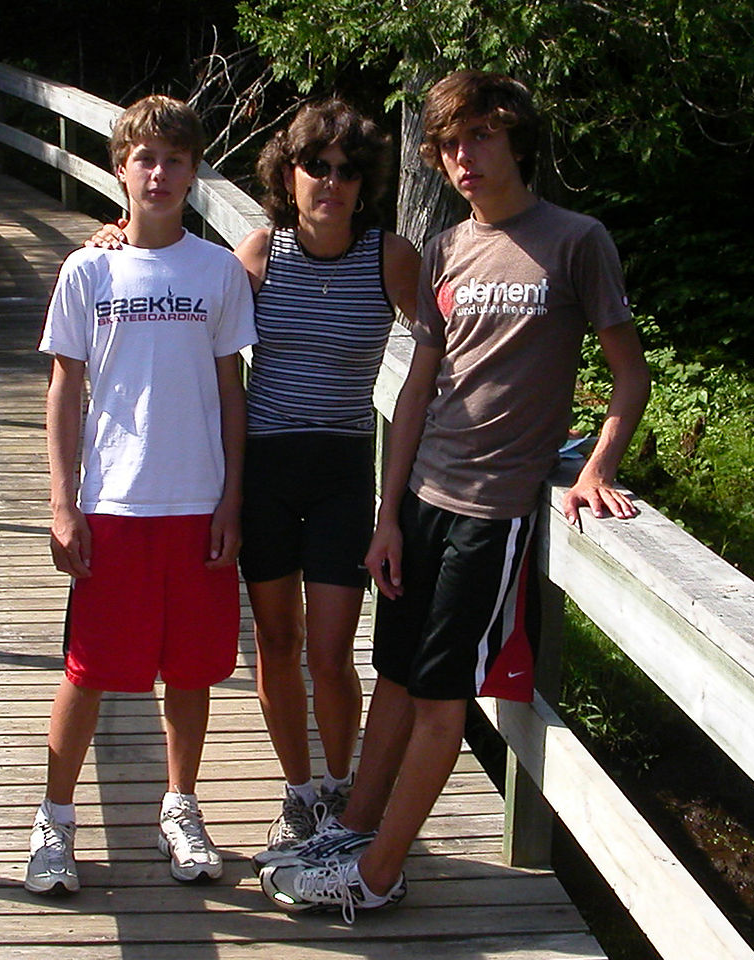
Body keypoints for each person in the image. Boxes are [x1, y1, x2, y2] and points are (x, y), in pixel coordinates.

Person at [258, 69, 651, 920]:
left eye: (479, 137)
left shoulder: (577, 240)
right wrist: (387, 514)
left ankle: (377, 875)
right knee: (394, 674)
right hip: (424, 496)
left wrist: (598, 467)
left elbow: (630, 373)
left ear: (515, 139)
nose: (462, 158)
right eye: (447, 145)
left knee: (442, 696)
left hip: (495, 508)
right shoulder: (443, 250)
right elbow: (417, 388)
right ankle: (355, 831)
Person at [90, 100, 420, 858]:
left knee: (332, 651)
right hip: (265, 469)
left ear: (364, 183)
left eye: (347, 171)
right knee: (277, 639)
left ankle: (341, 787)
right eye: (317, 168)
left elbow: (441, 349)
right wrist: (113, 235)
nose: (331, 183)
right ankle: (299, 792)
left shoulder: (389, 257)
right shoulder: (261, 255)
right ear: (289, 175)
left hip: (341, 470)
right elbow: (180, 284)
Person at [24, 94, 256, 896]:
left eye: (176, 160)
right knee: (87, 670)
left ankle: (181, 805)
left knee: (189, 670)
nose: (159, 174)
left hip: (196, 502)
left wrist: (232, 498)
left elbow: (232, 389)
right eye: (144, 159)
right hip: (113, 503)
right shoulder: (89, 268)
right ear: (120, 168)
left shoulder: (217, 270)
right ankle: (53, 823)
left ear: (193, 173)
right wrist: (62, 502)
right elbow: (63, 389)